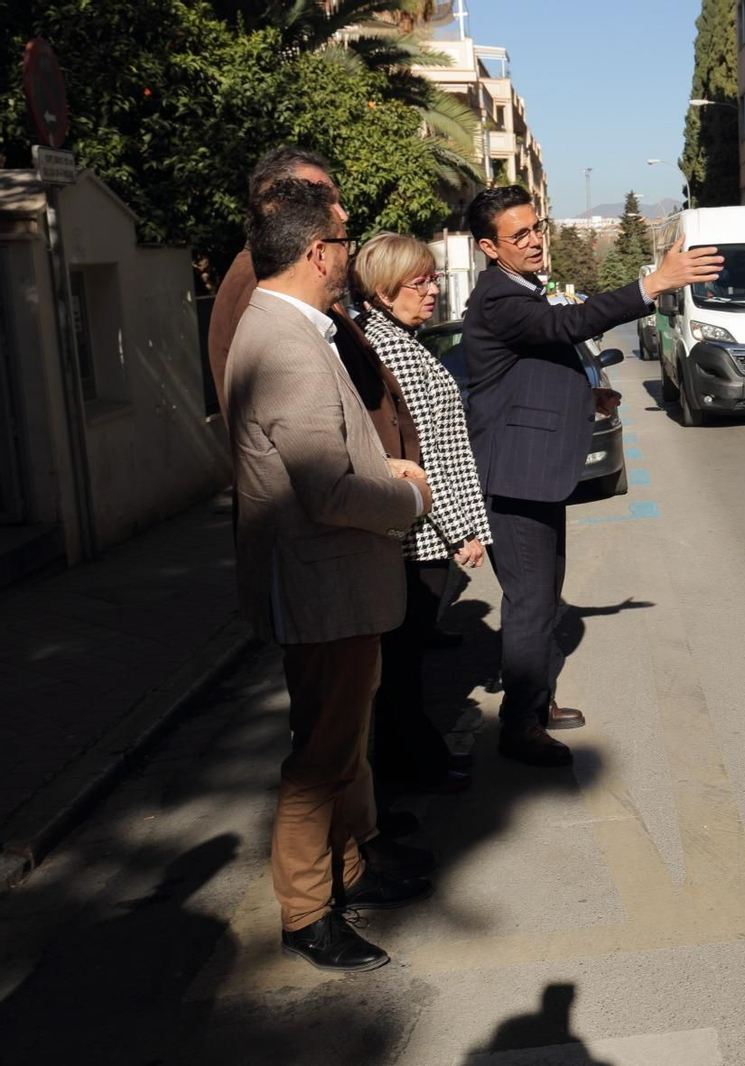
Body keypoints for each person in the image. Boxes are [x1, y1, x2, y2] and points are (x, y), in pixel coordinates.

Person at [227, 178, 434, 973]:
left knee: (342, 744)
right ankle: (307, 912)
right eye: (344, 244)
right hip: (323, 586)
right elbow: (330, 492)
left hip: (332, 583)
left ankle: (349, 872)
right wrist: (407, 489)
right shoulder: (283, 341)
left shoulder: (294, 328)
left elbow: (325, 456)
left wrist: (379, 465)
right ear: (319, 253)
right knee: (320, 756)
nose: (349, 254)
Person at [461, 185, 722, 767]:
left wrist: (585, 397)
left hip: (535, 471)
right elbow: (566, 326)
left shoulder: (519, 289)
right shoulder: (499, 298)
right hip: (514, 475)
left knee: (543, 594)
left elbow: (532, 369)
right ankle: (521, 725)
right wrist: (651, 284)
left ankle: (536, 699)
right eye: (519, 234)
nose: (534, 241)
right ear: (488, 247)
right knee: (529, 602)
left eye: (537, 227)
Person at [353, 233, 490, 794]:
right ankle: (409, 769)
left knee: (405, 663)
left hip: (423, 529)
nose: (432, 290)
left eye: (433, 278)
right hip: (418, 536)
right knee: (402, 665)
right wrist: (463, 532)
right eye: (420, 281)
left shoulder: (396, 340)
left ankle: (411, 762)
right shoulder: (389, 349)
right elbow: (428, 454)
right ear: (385, 291)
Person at [208, 146, 420, 468]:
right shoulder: (263, 283)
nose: (342, 213)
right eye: (323, 199)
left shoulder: (294, 275)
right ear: (277, 204)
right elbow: (300, 443)